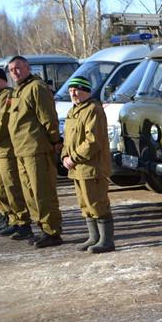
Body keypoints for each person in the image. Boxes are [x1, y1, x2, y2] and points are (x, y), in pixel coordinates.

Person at [6, 55, 63, 247]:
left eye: (18, 68)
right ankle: (42, 228)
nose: (15, 72)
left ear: (28, 67)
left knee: (42, 191)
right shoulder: (18, 91)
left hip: (37, 149)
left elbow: (48, 117)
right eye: (11, 69)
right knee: (30, 193)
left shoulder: (36, 88)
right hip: (21, 150)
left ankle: (52, 231)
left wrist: (55, 140)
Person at [60, 75, 115, 252]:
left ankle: (106, 241)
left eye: (77, 89)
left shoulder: (93, 109)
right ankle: (94, 237)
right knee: (85, 204)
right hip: (78, 169)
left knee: (97, 203)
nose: (73, 93)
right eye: (70, 90)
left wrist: (73, 158)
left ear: (86, 91)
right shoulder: (73, 111)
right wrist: (64, 156)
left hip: (92, 168)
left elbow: (93, 141)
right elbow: (67, 139)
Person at [0, 66, 30, 239]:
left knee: (12, 187)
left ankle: (23, 222)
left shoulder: (7, 96)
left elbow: (3, 122)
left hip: (6, 149)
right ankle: (12, 218)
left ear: (3, 79)